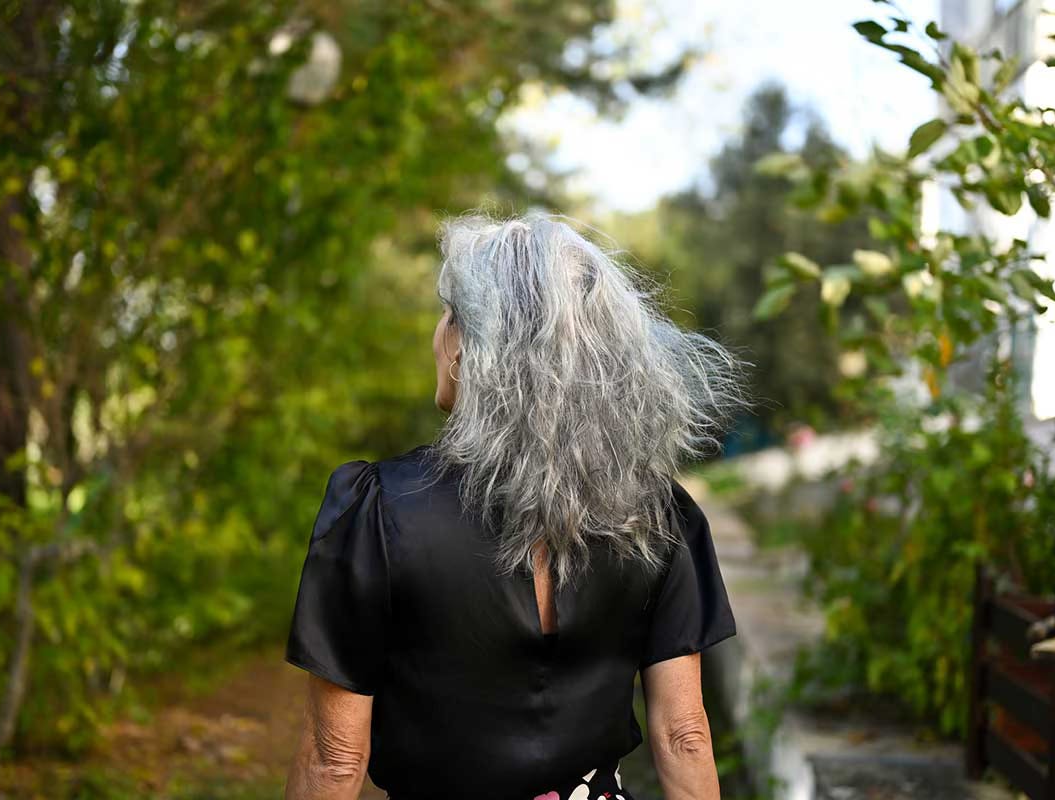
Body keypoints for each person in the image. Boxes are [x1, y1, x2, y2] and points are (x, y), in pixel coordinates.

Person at [284, 210, 753, 800]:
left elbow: (335, 760)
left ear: (473, 348)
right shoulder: (657, 517)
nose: (438, 332)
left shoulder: (378, 510)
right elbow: (684, 735)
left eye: (448, 314)